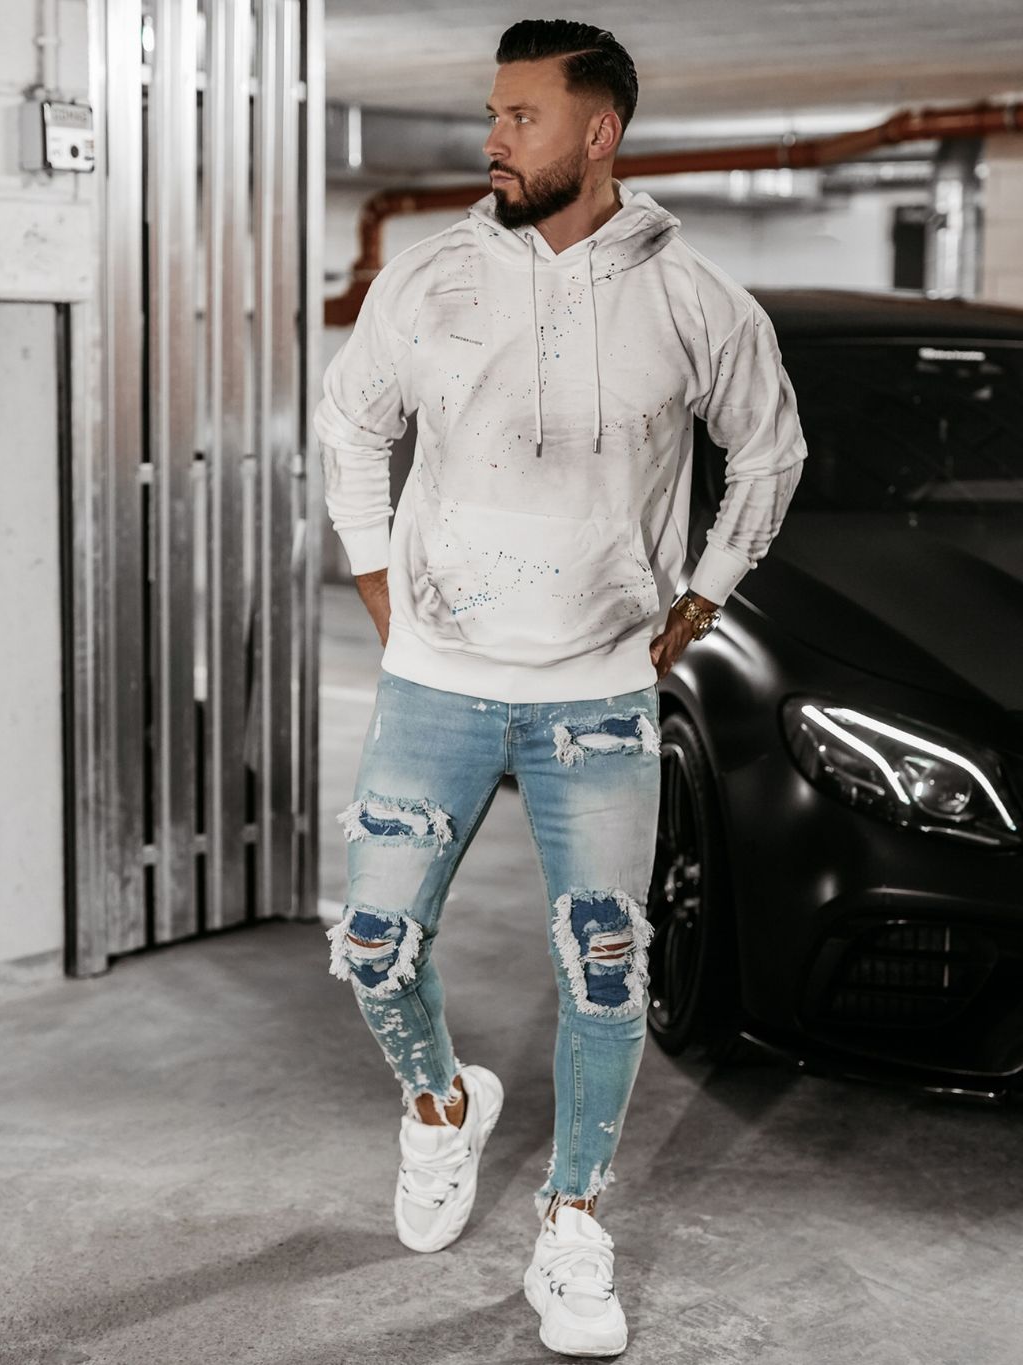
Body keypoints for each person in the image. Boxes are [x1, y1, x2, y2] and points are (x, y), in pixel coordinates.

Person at [314, 18, 807, 1358]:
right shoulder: (430, 279)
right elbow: (351, 423)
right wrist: (375, 575)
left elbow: (769, 451)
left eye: (521, 116)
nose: (493, 137)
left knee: (603, 966)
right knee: (375, 944)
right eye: (492, 111)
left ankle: (573, 1221)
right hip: (436, 681)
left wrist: (704, 592)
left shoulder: (694, 299)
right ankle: (441, 1108)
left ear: (600, 133)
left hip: (596, 691)